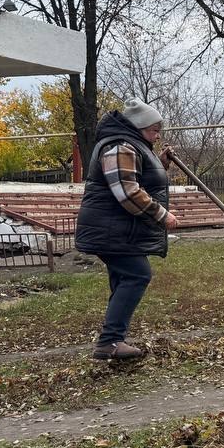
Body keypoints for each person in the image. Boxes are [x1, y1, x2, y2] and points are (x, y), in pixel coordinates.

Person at [74, 98, 179, 361]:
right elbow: (127, 191)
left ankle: (112, 341)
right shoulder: (119, 146)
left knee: (124, 278)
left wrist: (160, 163)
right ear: (139, 126)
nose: (157, 136)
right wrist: (161, 215)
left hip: (117, 229)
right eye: (154, 130)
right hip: (110, 229)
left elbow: (137, 177)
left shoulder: (130, 145)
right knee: (137, 275)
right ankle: (109, 342)